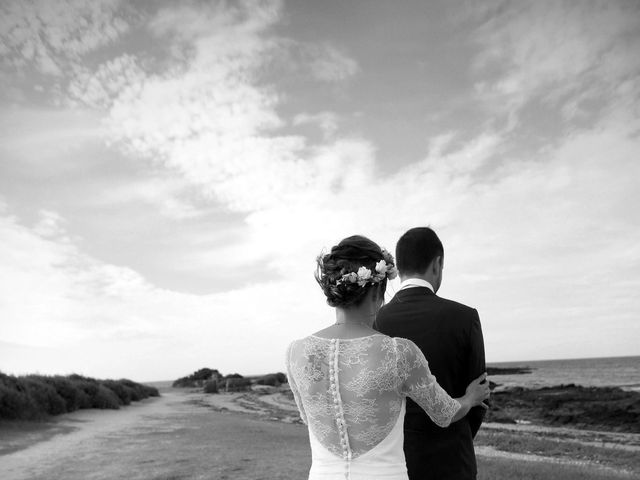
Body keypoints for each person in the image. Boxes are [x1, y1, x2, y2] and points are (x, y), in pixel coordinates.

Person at [286, 235, 490, 480]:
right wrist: (469, 398)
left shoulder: (296, 352)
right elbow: (444, 413)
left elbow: (310, 420)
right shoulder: (398, 352)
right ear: (377, 291)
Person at [375, 227, 487, 480]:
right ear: (437, 264)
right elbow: (479, 396)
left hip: (395, 461)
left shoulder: (376, 322)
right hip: (453, 460)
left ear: (399, 267)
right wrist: (457, 439)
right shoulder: (464, 317)